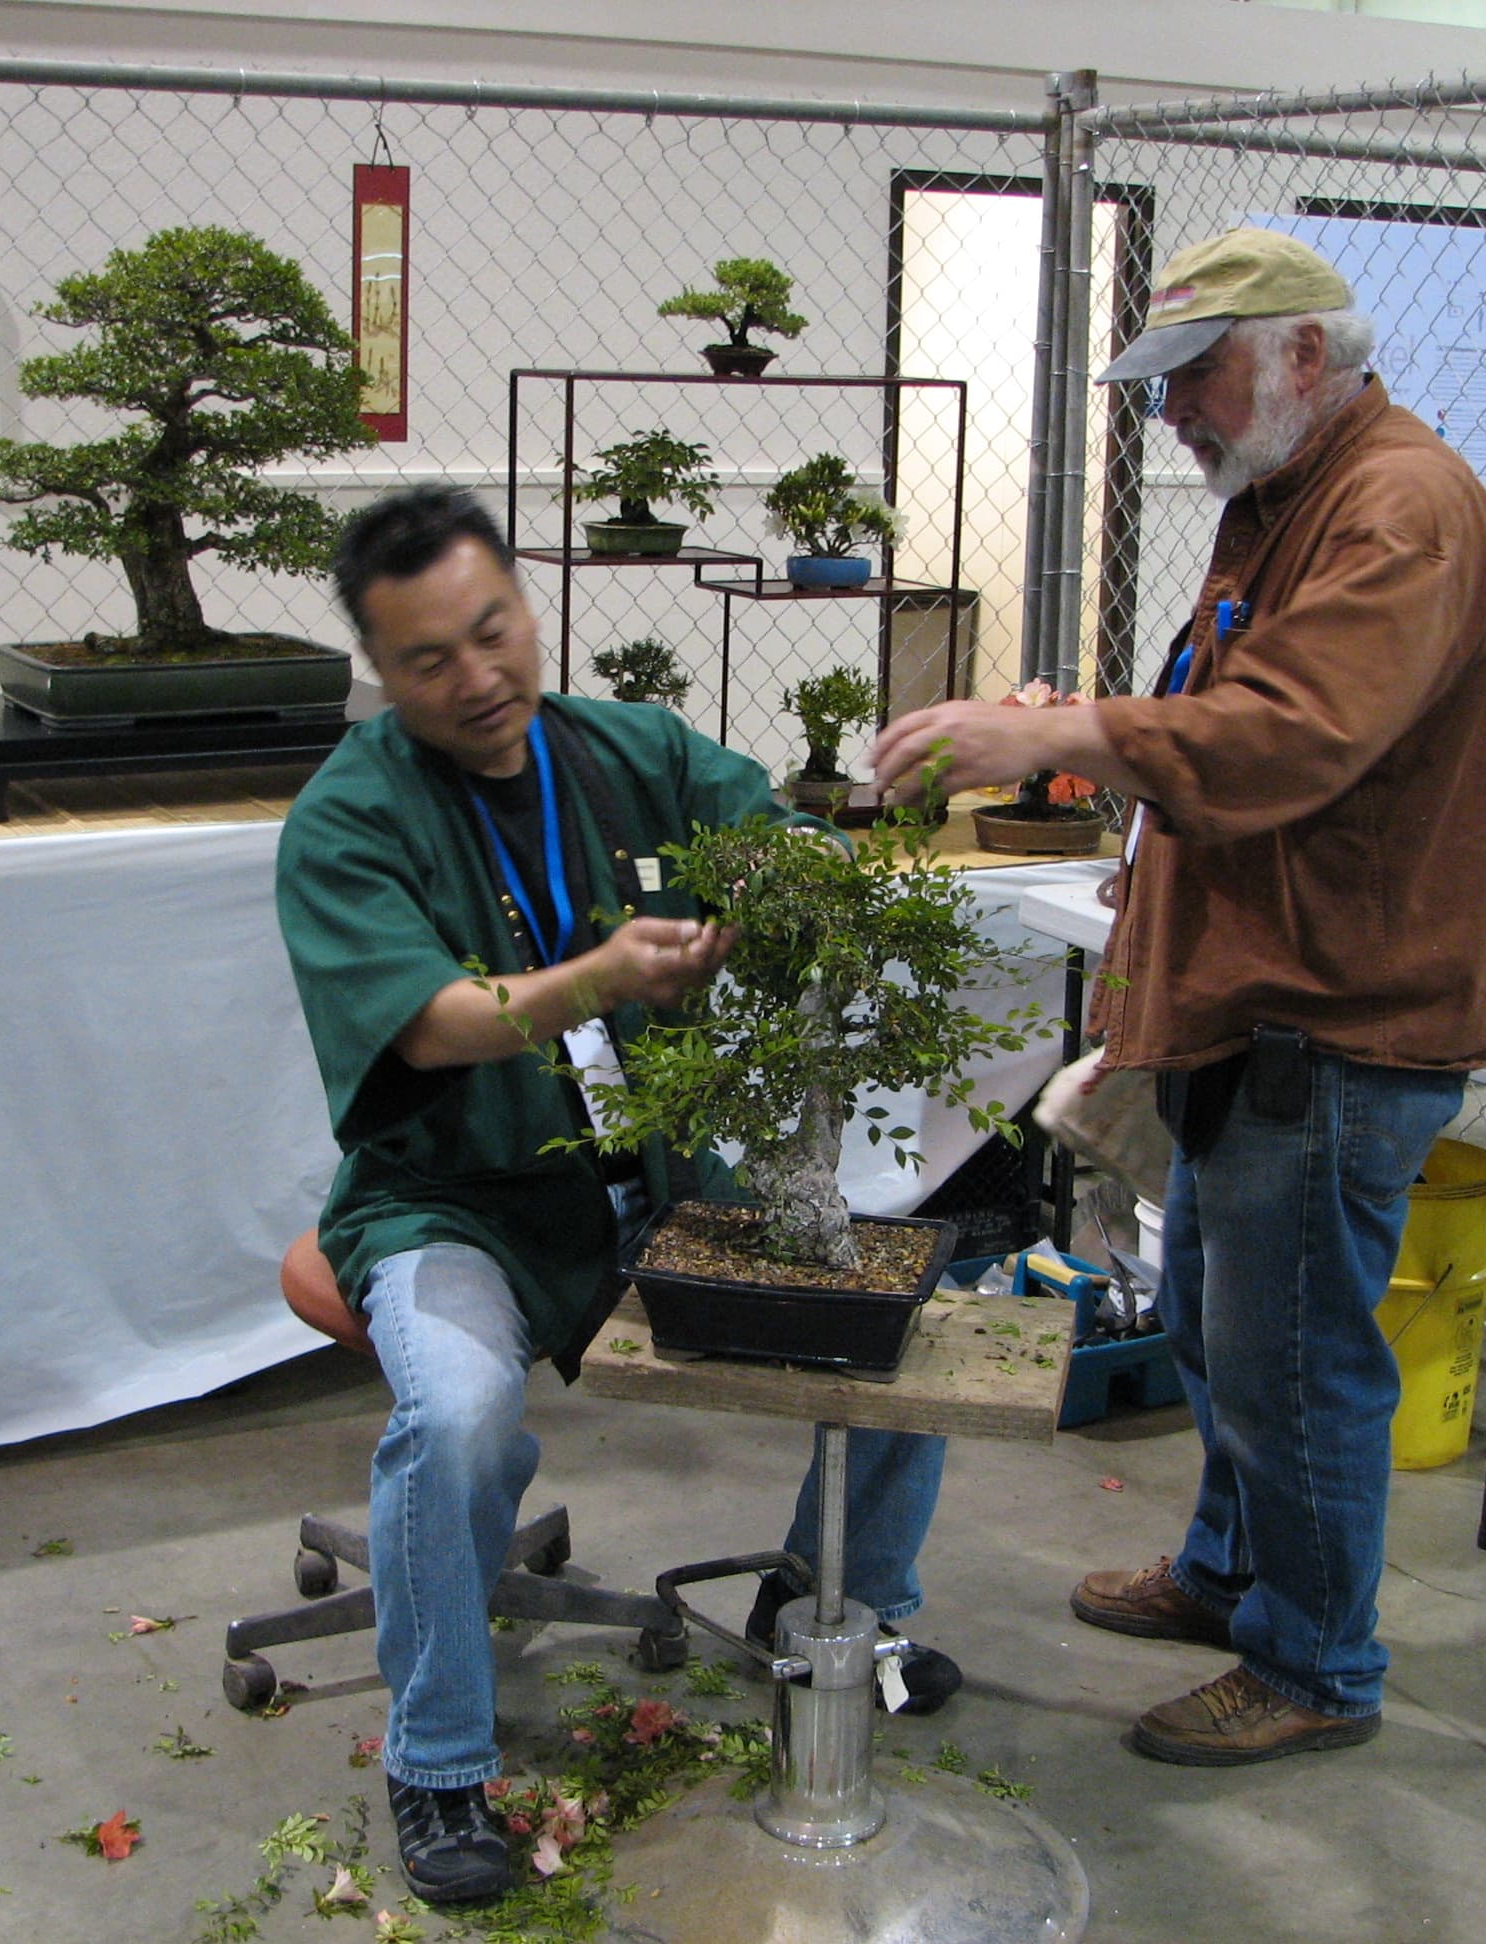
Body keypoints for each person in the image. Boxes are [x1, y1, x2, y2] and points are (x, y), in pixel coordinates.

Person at [873, 227, 1486, 1767]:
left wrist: (1083, 736)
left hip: (1340, 1009)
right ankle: (1234, 1575)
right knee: (1230, 1327)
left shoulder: (1399, 510)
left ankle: (1313, 1664)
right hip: (1270, 989)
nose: (1175, 418)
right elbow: (1231, 711)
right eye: (1163, 389)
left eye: (1199, 380)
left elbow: (1289, 737)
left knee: (1291, 1351)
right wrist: (1125, 776)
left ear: (1307, 353)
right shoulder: (1291, 493)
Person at [276, 484, 957, 1903]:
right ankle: (441, 1760)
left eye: (494, 631)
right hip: (453, 1203)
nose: (478, 679)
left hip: (650, 1174)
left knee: (914, 1309)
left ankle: (827, 1608)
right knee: (456, 1416)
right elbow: (430, 1024)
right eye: (429, 662)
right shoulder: (347, 821)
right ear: (382, 676)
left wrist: (795, 876)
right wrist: (593, 980)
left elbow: (758, 823)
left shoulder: (621, 752)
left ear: (526, 606)